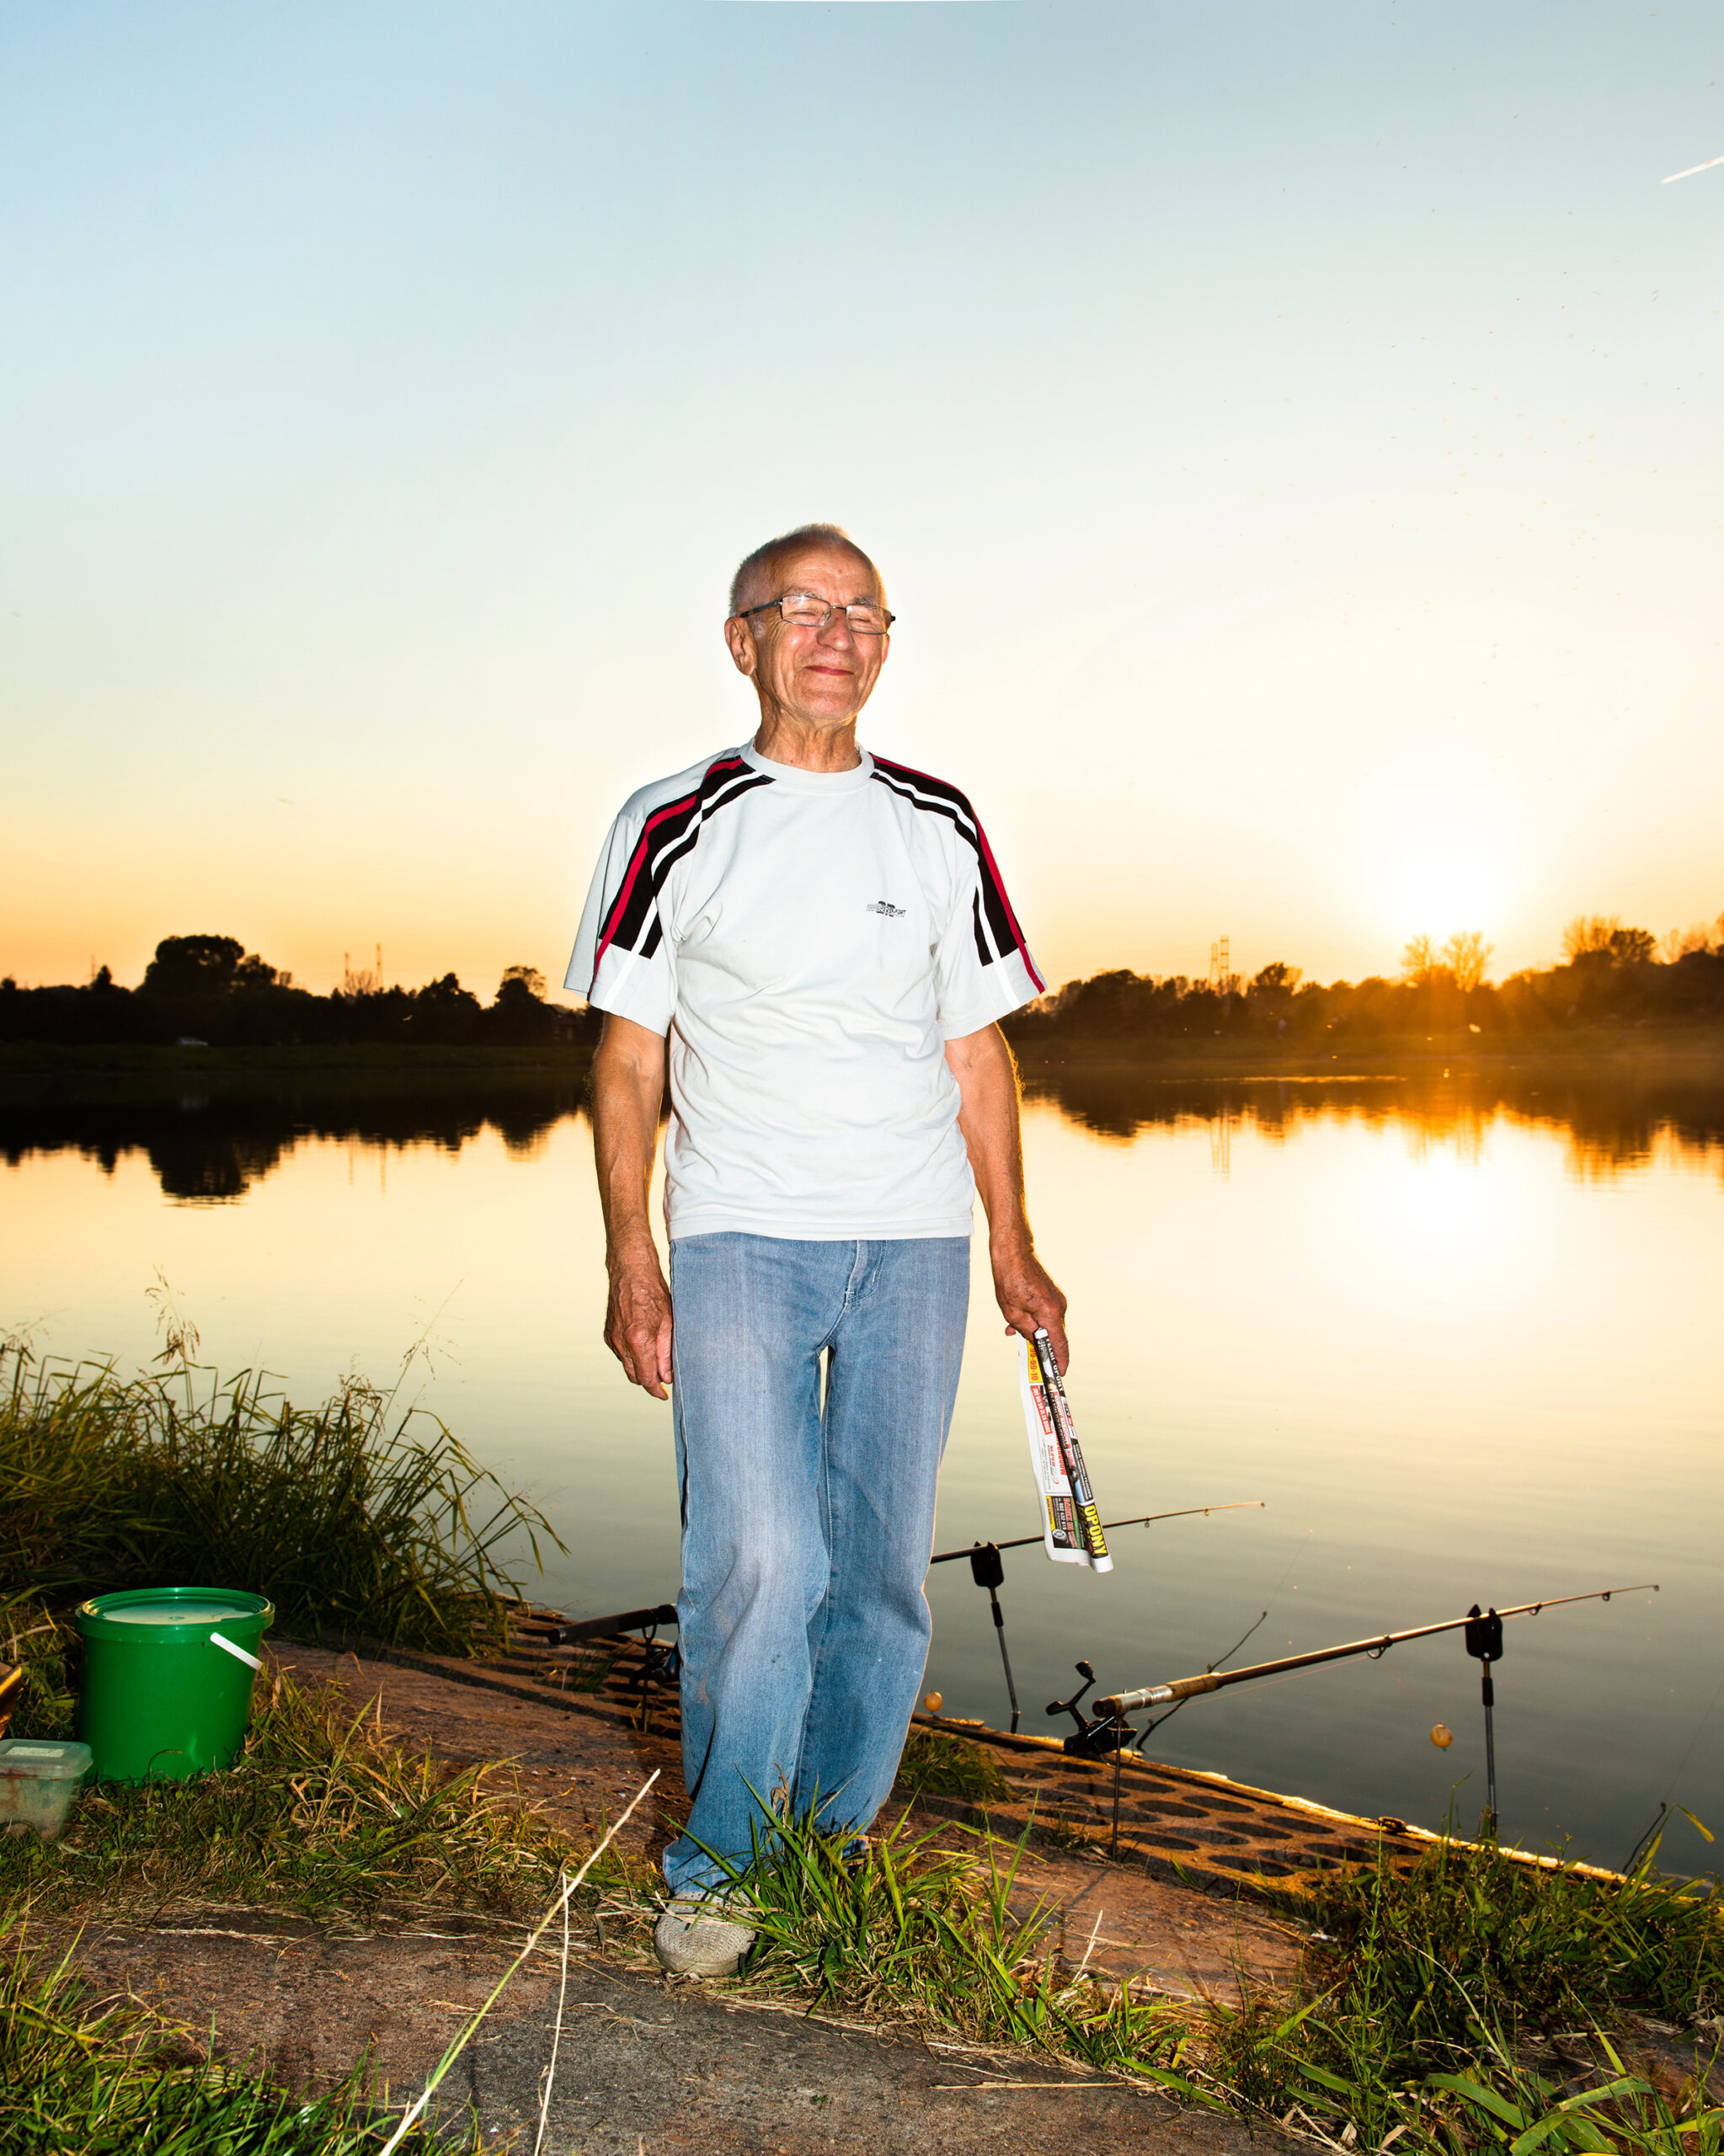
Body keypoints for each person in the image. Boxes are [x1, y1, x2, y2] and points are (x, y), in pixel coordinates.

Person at [566, 523, 1068, 1977]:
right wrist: (630, 1263)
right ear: (745, 641)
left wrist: (1015, 1248)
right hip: (739, 1237)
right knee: (761, 1559)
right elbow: (626, 1057)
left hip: (914, 1243)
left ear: (887, 644)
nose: (839, 635)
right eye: (805, 610)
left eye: (865, 613)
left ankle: (833, 1846)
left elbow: (978, 1056)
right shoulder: (675, 820)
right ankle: (722, 1863)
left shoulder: (941, 823)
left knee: (883, 1577)